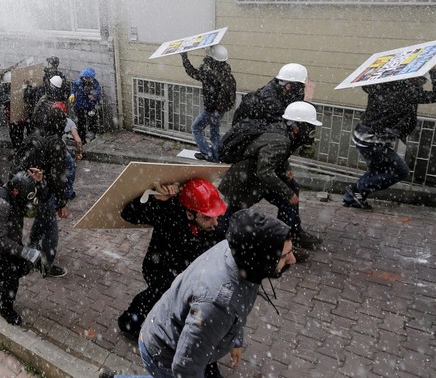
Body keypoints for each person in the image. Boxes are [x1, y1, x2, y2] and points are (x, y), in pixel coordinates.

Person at [137, 209, 297, 378]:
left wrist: (236, 340)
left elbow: (238, 305)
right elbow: (185, 368)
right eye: (284, 255)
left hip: (175, 338)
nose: (292, 260)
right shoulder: (218, 304)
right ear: (260, 260)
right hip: (164, 355)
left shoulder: (239, 252)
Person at [117, 179, 227, 338]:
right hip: (160, 268)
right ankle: (129, 322)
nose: (215, 222)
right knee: (159, 294)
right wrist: (155, 199)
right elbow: (128, 213)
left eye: (216, 216)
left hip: (189, 271)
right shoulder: (167, 211)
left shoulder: (214, 221)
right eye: (207, 218)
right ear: (189, 213)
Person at [218, 101, 324, 262]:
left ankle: (287, 241)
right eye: (309, 127)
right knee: (233, 213)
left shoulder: (282, 131)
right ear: (296, 127)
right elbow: (265, 171)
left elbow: (271, 155)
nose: (312, 132)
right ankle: (214, 239)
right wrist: (287, 193)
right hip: (245, 181)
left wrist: (285, 167)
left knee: (288, 203)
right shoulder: (281, 140)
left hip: (254, 179)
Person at [344, 69, 436, 209]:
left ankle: (353, 197)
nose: (422, 84)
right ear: (413, 79)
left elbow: (368, 86)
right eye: (421, 80)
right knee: (401, 171)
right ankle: (356, 190)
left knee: (377, 171)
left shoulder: (384, 84)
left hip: (364, 135)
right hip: (373, 141)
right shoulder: (407, 91)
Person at [0, 169, 49, 325]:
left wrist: (38, 182)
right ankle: (5, 309)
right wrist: (26, 252)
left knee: (25, 266)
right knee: (12, 277)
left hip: (12, 242)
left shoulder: (18, 193)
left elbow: (35, 208)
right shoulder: (0, 203)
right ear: (15, 191)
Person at [12, 106, 70, 277]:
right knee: (51, 230)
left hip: (27, 190)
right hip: (41, 191)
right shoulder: (56, 144)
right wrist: (62, 203)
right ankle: (47, 265)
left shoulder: (34, 137)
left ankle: (30, 250)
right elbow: (58, 178)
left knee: (41, 218)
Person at [181, 45, 237, 162]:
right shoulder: (226, 71)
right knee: (215, 132)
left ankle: (207, 154)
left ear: (212, 59)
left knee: (196, 128)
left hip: (211, 110)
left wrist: (184, 57)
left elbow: (192, 72)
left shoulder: (209, 74)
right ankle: (216, 156)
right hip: (220, 110)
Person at [232, 63, 308, 126]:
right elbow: (283, 121)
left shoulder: (284, 92)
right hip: (256, 135)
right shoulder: (270, 99)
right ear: (288, 86)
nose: (301, 91)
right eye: (299, 87)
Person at [53, 101, 82, 200]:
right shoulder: (68, 122)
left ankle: (53, 194)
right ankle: (68, 192)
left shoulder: (46, 120)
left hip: (48, 149)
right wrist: (79, 153)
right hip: (61, 150)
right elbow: (78, 141)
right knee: (71, 167)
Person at [70, 67, 102, 144]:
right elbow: (73, 89)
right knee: (81, 123)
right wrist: (72, 94)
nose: (87, 79)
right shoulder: (78, 82)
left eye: (89, 78)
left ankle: (92, 136)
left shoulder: (95, 83)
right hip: (79, 106)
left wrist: (94, 96)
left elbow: (98, 93)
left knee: (92, 121)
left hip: (91, 106)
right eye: (86, 78)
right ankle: (82, 139)